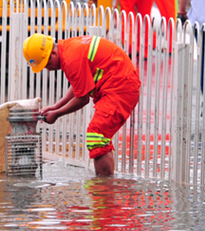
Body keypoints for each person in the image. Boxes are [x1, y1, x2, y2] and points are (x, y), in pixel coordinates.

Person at [25, 33, 141, 177]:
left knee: (97, 135)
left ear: (53, 53)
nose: (48, 69)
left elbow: (82, 99)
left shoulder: (72, 59)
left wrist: (57, 114)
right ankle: (104, 183)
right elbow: (79, 84)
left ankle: (104, 186)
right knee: (98, 136)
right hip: (119, 84)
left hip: (120, 87)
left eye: (47, 64)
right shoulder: (68, 49)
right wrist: (55, 106)